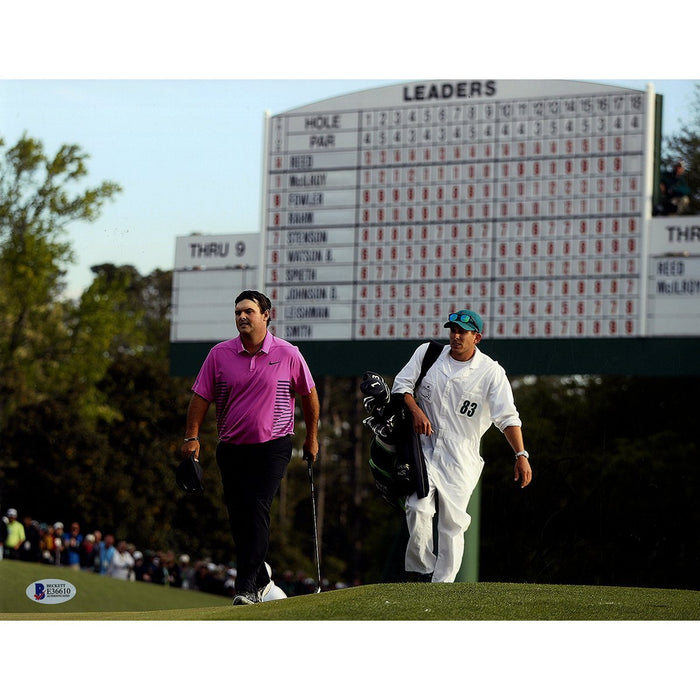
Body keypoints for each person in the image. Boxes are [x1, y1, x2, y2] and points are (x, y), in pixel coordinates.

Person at [182, 290, 319, 605]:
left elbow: (309, 396)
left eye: (249, 312)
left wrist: (311, 437)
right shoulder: (219, 354)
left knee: (256, 508)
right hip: (231, 448)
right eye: (238, 313)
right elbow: (201, 397)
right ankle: (262, 579)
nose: (242, 317)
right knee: (239, 517)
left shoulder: (288, 353)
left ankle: (246, 588)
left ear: (267, 315)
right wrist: (191, 436)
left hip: (273, 446)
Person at [391, 309, 533, 583]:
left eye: (463, 332)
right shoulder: (428, 354)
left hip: (461, 455)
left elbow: (507, 417)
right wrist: (416, 410)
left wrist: (521, 454)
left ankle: (442, 586)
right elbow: (401, 386)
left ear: (476, 337)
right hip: (425, 448)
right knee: (418, 507)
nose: (456, 336)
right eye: (453, 330)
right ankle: (423, 572)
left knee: (452, 525)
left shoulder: (491, 372)